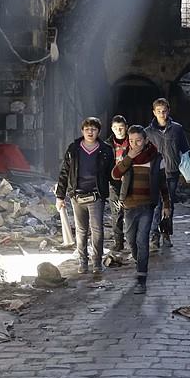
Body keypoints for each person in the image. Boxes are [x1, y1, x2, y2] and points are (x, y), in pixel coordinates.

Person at [111, 125, 170, 294]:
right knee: (131, 239)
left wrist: (167, 205)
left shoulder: (156, 158)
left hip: (147, 206)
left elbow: (163, 183)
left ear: (145, 140)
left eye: (138, 141)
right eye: (131, 141)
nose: (134, 144)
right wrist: (129, 157)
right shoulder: (127, 156)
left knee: (142, 240)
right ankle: (139, 261)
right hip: (129, 206)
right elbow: (115, 174)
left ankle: (141, 279)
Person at [55, 117, 114, 274]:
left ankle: (97, 262)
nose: (90, 132)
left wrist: (120, 195)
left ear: (98, 131)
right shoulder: (74, 149)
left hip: (96, 195)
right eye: (87, 129)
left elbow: (112, 174)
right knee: (81, 230)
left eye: (93, 129)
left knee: (97, 229)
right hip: (77, 195)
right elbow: (64, 172)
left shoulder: (105, 150)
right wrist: (60, 196)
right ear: (82, 131)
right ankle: (83, 262)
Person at [145, 98, 189, 249]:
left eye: (164, 111)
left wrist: (188, 170)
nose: (162, 114)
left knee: (168, 204)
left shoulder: (177, 129)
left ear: (168, 111)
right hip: (154, 174)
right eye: (158, 111)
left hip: (171, 172)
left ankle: (166, 233)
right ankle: (154, 235)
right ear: (154, 112)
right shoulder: (148, 132)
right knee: (155, 205)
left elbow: (185, 149)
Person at [107, 115, 129, 252]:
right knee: (116, 213)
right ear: (112, 128)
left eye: (121, 127)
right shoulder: (108, 144)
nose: (118, 130)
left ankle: (134, 241)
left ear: (126, 127)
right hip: (114, 182)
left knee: (132, 212)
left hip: (131, 181)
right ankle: (119, 242)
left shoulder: (133, 141)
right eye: (115, 128)